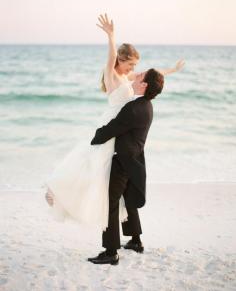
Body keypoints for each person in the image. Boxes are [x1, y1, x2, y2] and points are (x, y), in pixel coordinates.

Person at [44, 14, 184, 231]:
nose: (132, 69)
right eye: (130, 64)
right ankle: (59, 193)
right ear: (120, 60)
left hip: (121, 129)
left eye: (134, 65)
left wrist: (172, 71)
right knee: (93, 166)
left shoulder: (128, 78)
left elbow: (151, 75)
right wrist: (111, 36)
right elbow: (111, 57)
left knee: (105, 174)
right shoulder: (112, 75)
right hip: (111, 127)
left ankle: (121, 228)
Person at [88, 68, 164, 265]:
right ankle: (136, 241)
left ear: (144, 85)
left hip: (123, 162)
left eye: (141, 76)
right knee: (128, 199)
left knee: (111, 203)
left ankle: (111, 251)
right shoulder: (147, 105)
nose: (137, 75)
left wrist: (93, 139)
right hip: (135, 160)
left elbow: (112, 128)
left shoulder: (133, 108)